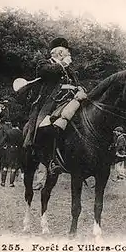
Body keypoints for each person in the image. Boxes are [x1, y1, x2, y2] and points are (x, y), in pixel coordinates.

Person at [21, 37, 81, 175]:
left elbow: (77, 83)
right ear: (60, 53)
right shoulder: (44, 63)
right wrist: (63, 65)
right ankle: (49, 158)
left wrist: (81, 90)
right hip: (49, 104)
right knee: (46, 127)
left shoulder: (70, 69)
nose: (69, 55)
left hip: (69, 102)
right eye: (67, 52)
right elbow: (47, 72)